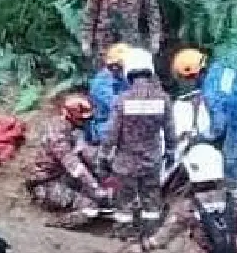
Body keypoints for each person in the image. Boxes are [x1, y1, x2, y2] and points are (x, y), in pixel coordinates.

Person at [171, 48, 237, 200]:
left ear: (193, 75)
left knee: (230, 160)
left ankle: (235, 198)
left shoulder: (211, 91)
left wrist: (199, 138)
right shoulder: (221, 68)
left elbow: (218, 127)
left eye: (185, 79)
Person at [101, 47, 169, 237]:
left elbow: (111, 134)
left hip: (126, 162)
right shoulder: (163, 99)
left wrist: (104, 157)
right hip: (152, 160)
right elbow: (170, 131)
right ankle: (150, 235)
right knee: (151, 200)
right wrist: (170, 152)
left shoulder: (122, 100)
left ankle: (124, 235)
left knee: (124, 202)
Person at [25, 92, 112, 227]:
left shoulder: (74, 130)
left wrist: (109, 175)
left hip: (63, 177)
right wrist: (96, 188)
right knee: (90, 207)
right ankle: (54, 223)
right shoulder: (56, 133)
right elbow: (74, 165)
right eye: (83, 119)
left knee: (102, 194)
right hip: (45, 183)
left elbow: (88, 154)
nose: (86, 122)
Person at [86, 43, 132, 145]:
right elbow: (116, 106)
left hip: (122, 126)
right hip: (105, 127)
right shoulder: (101, 83)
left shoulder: (124, 79)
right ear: (115, 66)